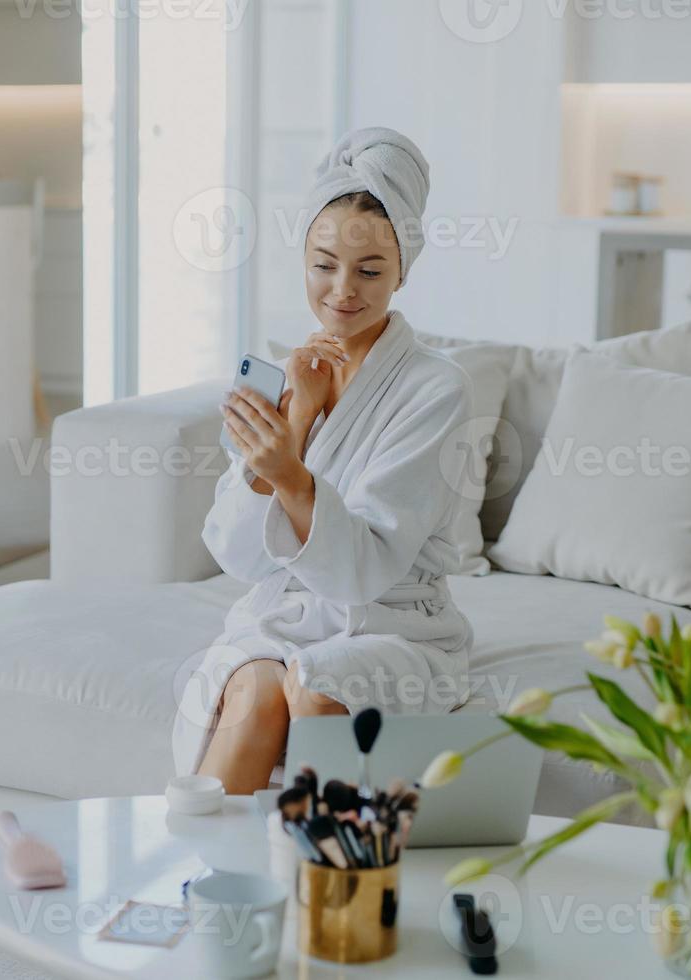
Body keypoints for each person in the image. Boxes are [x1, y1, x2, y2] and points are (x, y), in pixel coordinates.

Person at [171, 127, 475, 793]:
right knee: (253, 692)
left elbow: (365, 571)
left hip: (395, 627)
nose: (342, 291)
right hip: (284, 619)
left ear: (402, 270)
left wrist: (288, 473)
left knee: (314, 683)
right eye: (322, 263)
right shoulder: (288, 375)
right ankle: (205, 888)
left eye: (369, 271)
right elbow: (239, 556)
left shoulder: (436, 388)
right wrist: (300, 416)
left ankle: (322, 888)